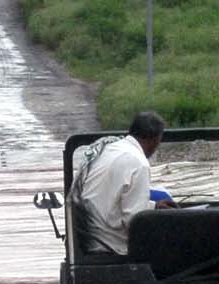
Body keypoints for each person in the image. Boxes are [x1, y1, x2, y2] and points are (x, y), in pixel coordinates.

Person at [69, 110, 175, 257]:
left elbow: (113, 201)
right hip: (111, 246)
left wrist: (153, 206)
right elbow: (135, 222)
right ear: (155, 140)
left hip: (88, 238)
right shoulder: (138, 162)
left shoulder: (109, 148)